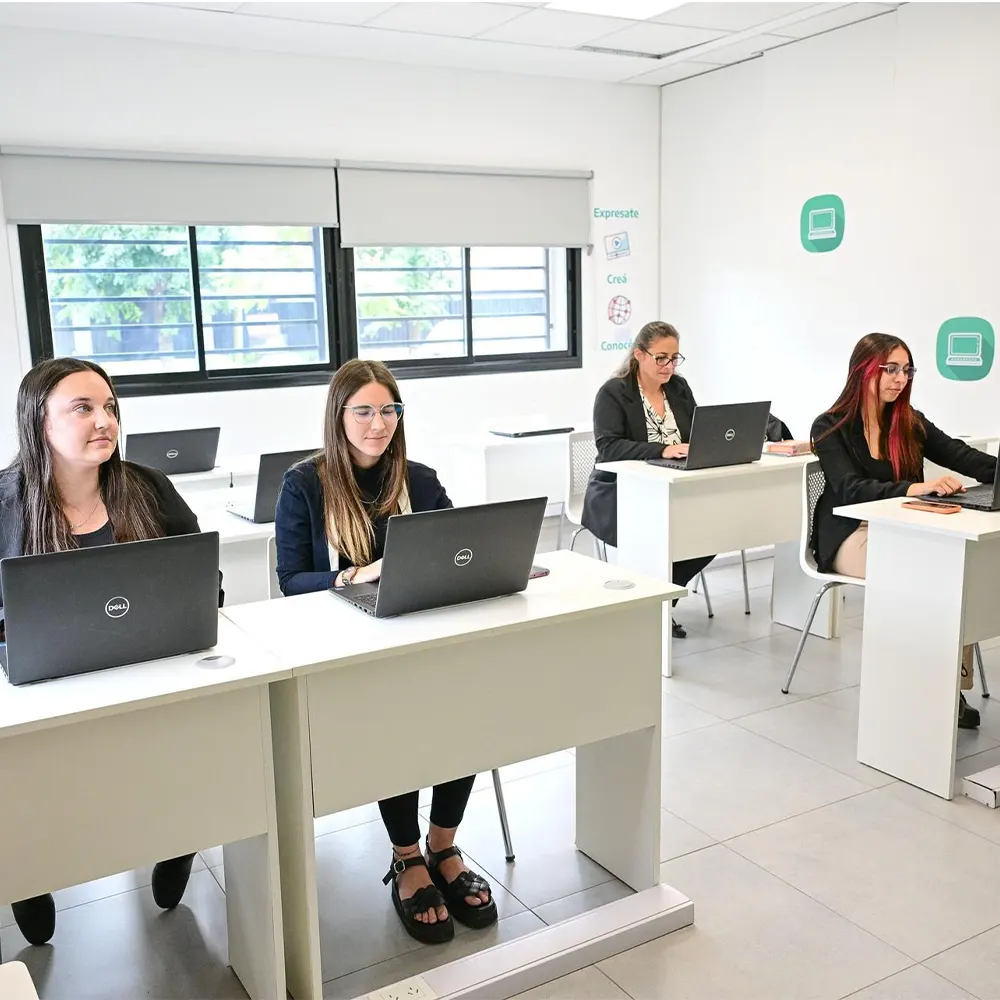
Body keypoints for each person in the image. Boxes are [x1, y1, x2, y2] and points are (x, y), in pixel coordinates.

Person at [0, 357, 222, 952]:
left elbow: (206, 580)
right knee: (28, 780)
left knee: (197, 750)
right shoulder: (3, 504)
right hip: (40, 690)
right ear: (37, 422)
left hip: (150, 673)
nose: (104, 421)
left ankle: (181, 840)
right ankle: (29, 875)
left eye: (111, 408)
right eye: (83, 408)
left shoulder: (147, 487)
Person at [273, 358, 497, 945]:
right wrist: (355, 576)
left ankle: (443, 846)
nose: (379, 423)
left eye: (389, 410)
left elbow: (457, 550)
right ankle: (407, 857)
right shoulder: (305, 483)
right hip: (351, 643)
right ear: (338, 416)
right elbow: (290, 579)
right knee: (394, 721)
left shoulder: (419, 480)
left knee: (465, 711)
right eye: (364, 411)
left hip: (422, 631)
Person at [811, 333, 996, 729]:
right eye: (890, 369)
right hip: (851, 533)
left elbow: (963, 456)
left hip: (907, 531)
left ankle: (947, 688)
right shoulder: (830, 426)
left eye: (907, 370)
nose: (900, 378)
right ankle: (924, 686)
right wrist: (917, 487)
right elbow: (849, 490)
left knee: (956, 575)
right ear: (863, 371)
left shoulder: (909, 422)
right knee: (933, 580)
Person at [582, 321, 716, 638]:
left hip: (675, 488)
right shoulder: (613, 393)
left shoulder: (679, 389)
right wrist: (663, 449)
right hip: (621, 492)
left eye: (674, 358)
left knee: (713, 530)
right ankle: (655, 605)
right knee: (659, 534)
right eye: (661, 358)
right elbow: (609, 447)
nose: (669, 366)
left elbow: (697, 432)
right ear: (640, 355)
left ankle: (658, 598)